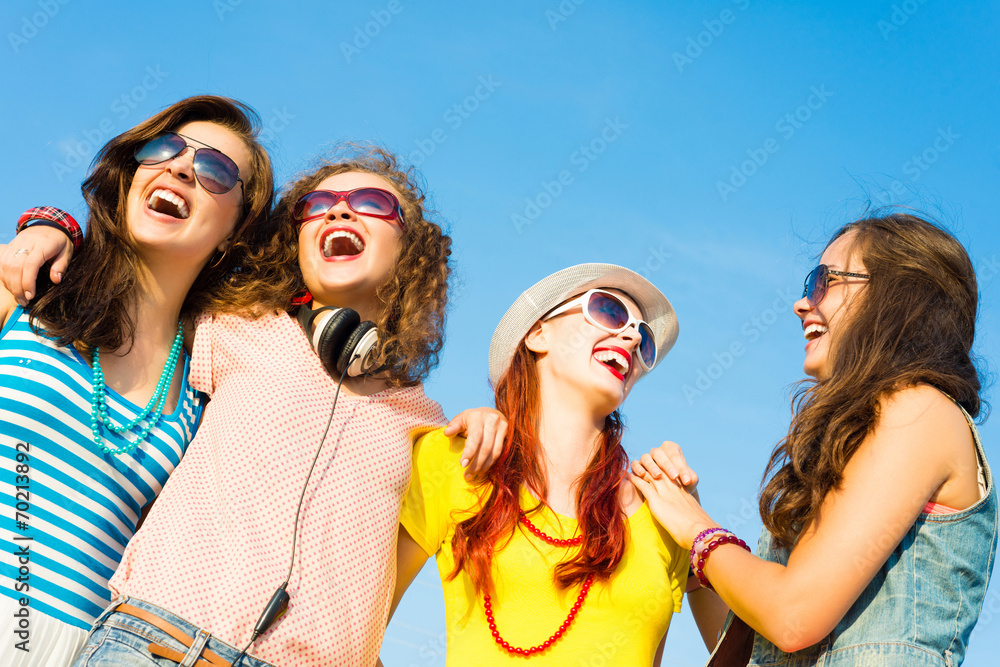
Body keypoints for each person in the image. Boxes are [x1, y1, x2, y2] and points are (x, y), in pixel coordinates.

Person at [4, 144, 505, 666]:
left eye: (371, 202)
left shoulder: (426, 426)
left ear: (412, 249)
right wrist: (54, 226)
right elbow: (147, 268)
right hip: (154, 643)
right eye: (316, 205)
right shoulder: (235, 327)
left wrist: (481, 422)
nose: (337, 210)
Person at [632, 213, 997, 666]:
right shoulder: (870, 431)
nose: (801, 304)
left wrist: (697, 529)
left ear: (896, 296)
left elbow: (792, 616)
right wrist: (692, 549)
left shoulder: (919, 411)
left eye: (823, 281)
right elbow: (767, 643)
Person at [0, 95, 275, 666]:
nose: (178, 168)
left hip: (81, 650)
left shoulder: (205, 393)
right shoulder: (26, 295)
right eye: (164, 150)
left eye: (216, 170)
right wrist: (53, 226)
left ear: (236, 230)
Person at [387, 263, 724, 665]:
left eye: (645, 339)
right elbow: (353, 633)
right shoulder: (456, 462)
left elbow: (752, 655)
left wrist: (699, 528)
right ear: (537, 333)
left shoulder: (664, 512)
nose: (633, 336)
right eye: (610, 311)